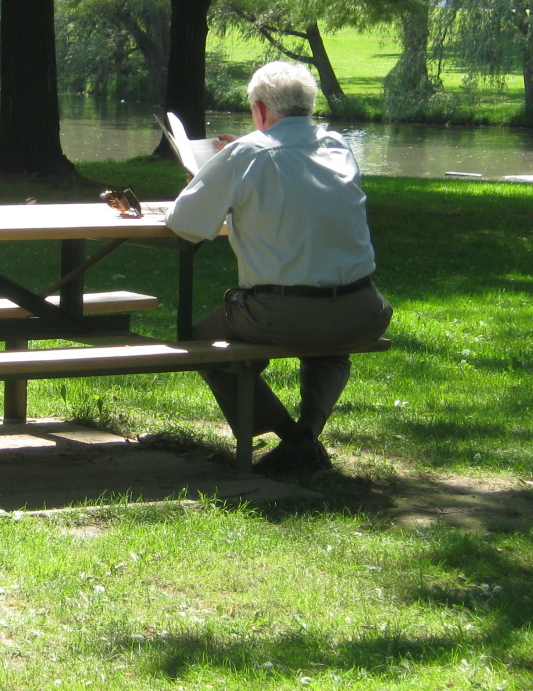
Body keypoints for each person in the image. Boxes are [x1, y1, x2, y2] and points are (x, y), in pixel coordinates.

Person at [165, 60, 392, 474]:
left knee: (201, 343)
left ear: (261, 111)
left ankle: (290, 436)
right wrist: (238, 156)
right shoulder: (337, 145)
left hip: (282, 313)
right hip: (363, 311)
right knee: (330, 346)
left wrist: (212, 172)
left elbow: (185, 225)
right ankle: (306, 433)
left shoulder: (246, 153)